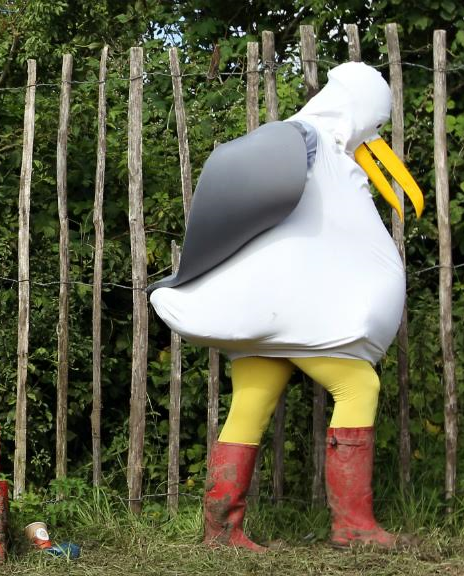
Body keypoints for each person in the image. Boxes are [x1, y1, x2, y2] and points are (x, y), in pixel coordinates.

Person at [150, 62, 424, 550]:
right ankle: (353, 526)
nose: (374, 133)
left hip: (270, 311)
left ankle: (222, 531)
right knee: (358, 384)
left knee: (251, 404)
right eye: (375, 123)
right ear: (359, 110)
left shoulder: (324, 148)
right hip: (295, 309)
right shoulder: (306, 142)